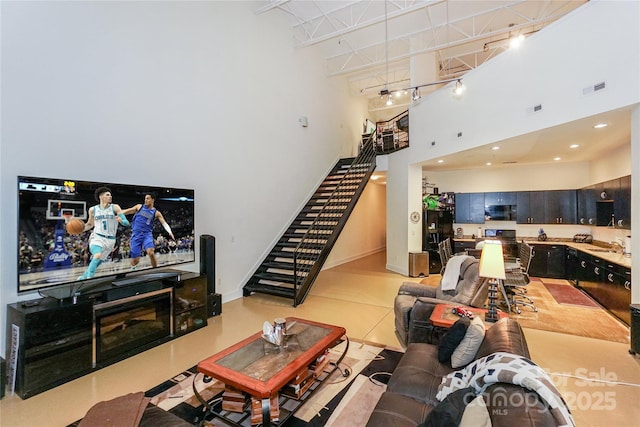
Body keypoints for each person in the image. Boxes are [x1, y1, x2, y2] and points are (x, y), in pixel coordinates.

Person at [77, 186, 130, 280]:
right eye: (108, 195)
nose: (110, 197)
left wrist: (121, 220)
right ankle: (89, 278)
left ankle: (84, 277)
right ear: (101, 197)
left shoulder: (115, 207)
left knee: (98, 262)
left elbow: (126, 223)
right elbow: (89, 224)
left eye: (110, 195)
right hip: (97, 237)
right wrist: (80, 230)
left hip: (110, 240)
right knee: (97, 255)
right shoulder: (93, 210)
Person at [122, 192, 175, 269]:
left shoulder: (156, 213)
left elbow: (164, 223)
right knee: (135, 260)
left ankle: (155, 270)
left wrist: (170, 232)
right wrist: (117, 213)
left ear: (152, 200)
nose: (145, 200)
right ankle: (132, 267)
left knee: (151, 252)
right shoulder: (139, 207)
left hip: (147, 235)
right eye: (145, 198)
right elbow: (127, 211)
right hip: (136, 235)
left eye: (147, 198)